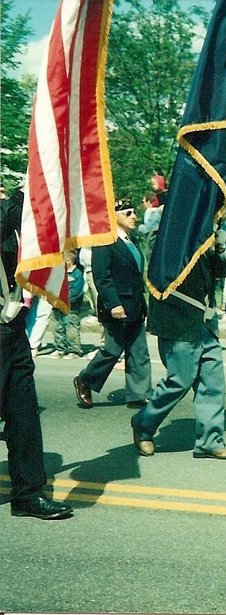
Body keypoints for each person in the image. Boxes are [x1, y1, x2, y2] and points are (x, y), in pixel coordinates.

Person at [131, 223, 226, 459]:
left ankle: (210, 441)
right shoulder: (165, 231)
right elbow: (166, 263)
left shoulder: (205, 235)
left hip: (204, 322)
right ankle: (144, 424)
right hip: (177, 320)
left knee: (212, 383)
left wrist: (220, 247)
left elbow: (219, 272)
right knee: (179, 381)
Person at [1, 188, 73, 520]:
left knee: (24, 415)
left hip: (11, 330)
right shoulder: (7, 217)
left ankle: (28, 494)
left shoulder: (17, 224)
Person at [74, 199, 152, 409]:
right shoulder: (105, 241)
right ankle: (85, 380)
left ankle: (138, 394)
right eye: (127, 213)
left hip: (135, 304)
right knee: (112, 350)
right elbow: (102, 277)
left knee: (139, 350)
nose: (133, 216)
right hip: (117, 306)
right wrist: (113, 304)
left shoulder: (131, 240)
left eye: (134, 212)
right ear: (114, 216)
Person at [52, 250, 84, 358]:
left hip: (71, 308)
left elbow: (76, 292)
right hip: (57, 306)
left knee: (71, 328)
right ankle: (60, 348)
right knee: (57, 328)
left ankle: (74, 350)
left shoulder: (77, 275)